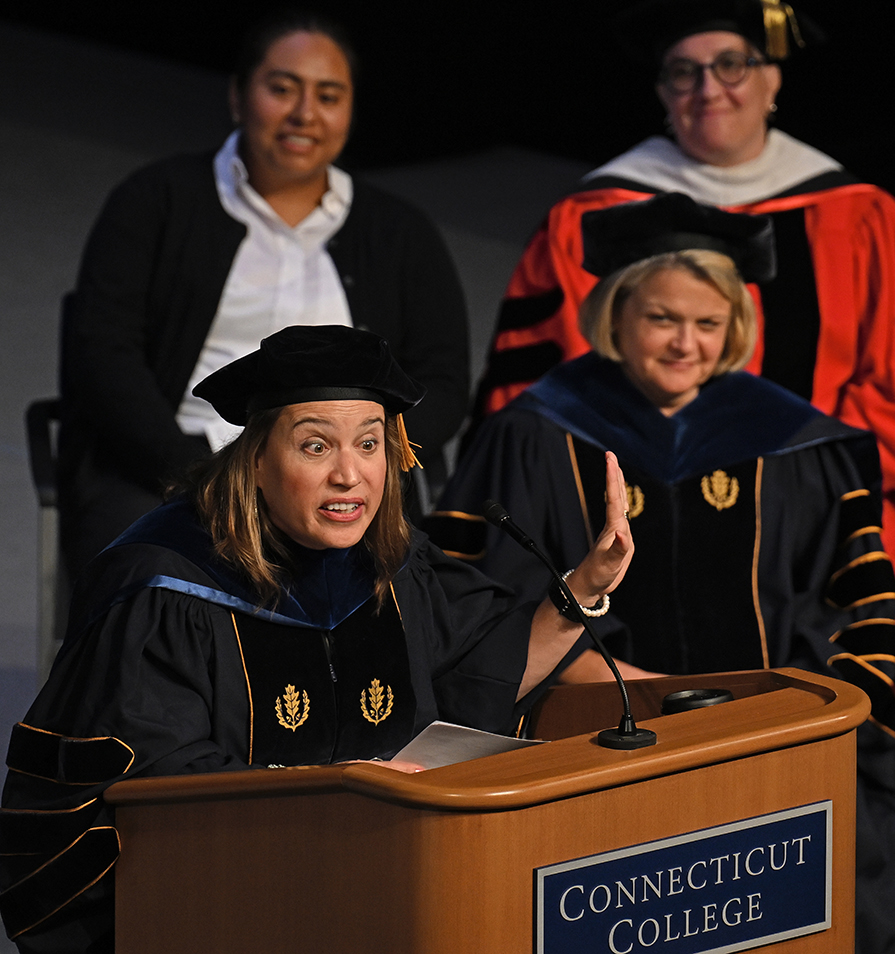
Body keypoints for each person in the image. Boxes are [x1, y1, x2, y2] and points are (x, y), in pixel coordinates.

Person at [0, 326, 632, 954]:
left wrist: (579, 589)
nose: (349, 475)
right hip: (225, 912)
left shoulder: (393, 563)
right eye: (314, 446)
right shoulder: (164, 587)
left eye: (369, 444)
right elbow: (155, 794)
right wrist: (340, 789)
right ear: (257, 457)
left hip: (387, 889)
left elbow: (482, 674)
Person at [473, 0, 895, 771]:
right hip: (608, 507)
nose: (709, 89)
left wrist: (801, 463)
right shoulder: (595, 211)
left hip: (800, 517)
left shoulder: (861, 214)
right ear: (663, 89)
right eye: (684, 71)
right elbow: (532, 397)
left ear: (773, 79)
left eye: (732, 65)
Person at [430, 192, 895, 952]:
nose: (684, 343)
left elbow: (859, 606)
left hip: (773, 729)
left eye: (707, 323)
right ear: (616, 317)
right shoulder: (534, 432)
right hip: (594, 724)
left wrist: (786, 708)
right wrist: (622, 683)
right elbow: (473, 592)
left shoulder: (800, 443)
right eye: (661, 318)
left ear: (735, 329)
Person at [58, 10, 470, 579]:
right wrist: (199, 474)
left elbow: (444, 380)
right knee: (141, 581)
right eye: (282, 89)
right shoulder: (157, 199)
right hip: (173, 468)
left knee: (417, 596)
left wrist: (366, 458)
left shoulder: (400, 233)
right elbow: (103, 352)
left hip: (342, 477)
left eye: (328, 96)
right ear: (237, 96)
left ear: (350, 111)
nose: (304, 114)